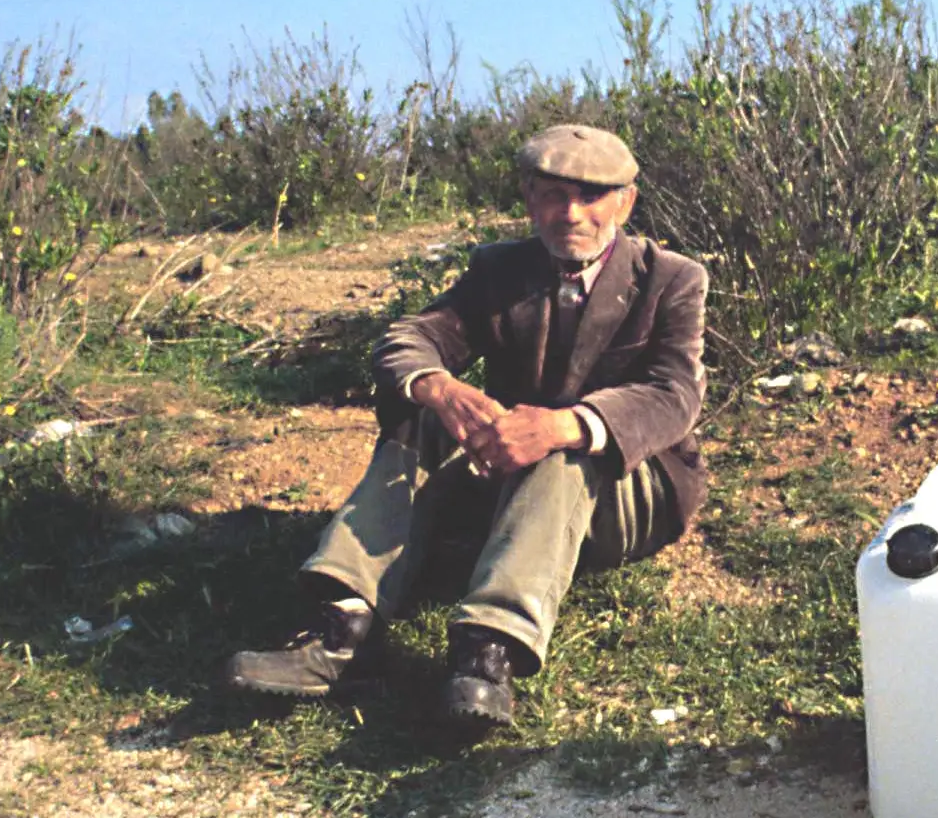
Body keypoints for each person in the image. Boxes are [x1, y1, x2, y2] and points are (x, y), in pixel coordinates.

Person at [222, 124, 708, 727]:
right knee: (424, 410)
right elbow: (412, 338)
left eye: (591, 196)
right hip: (508, 482)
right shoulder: (499, 269)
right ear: (529, 197)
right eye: (554, 194)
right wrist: (440, 387)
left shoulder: (672, 278)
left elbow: (674, 393)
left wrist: (566, 425)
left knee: (561, 447)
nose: (571, 213)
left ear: (625, 202)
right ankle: (345, 625)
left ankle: (488, 651)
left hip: (628, 494)